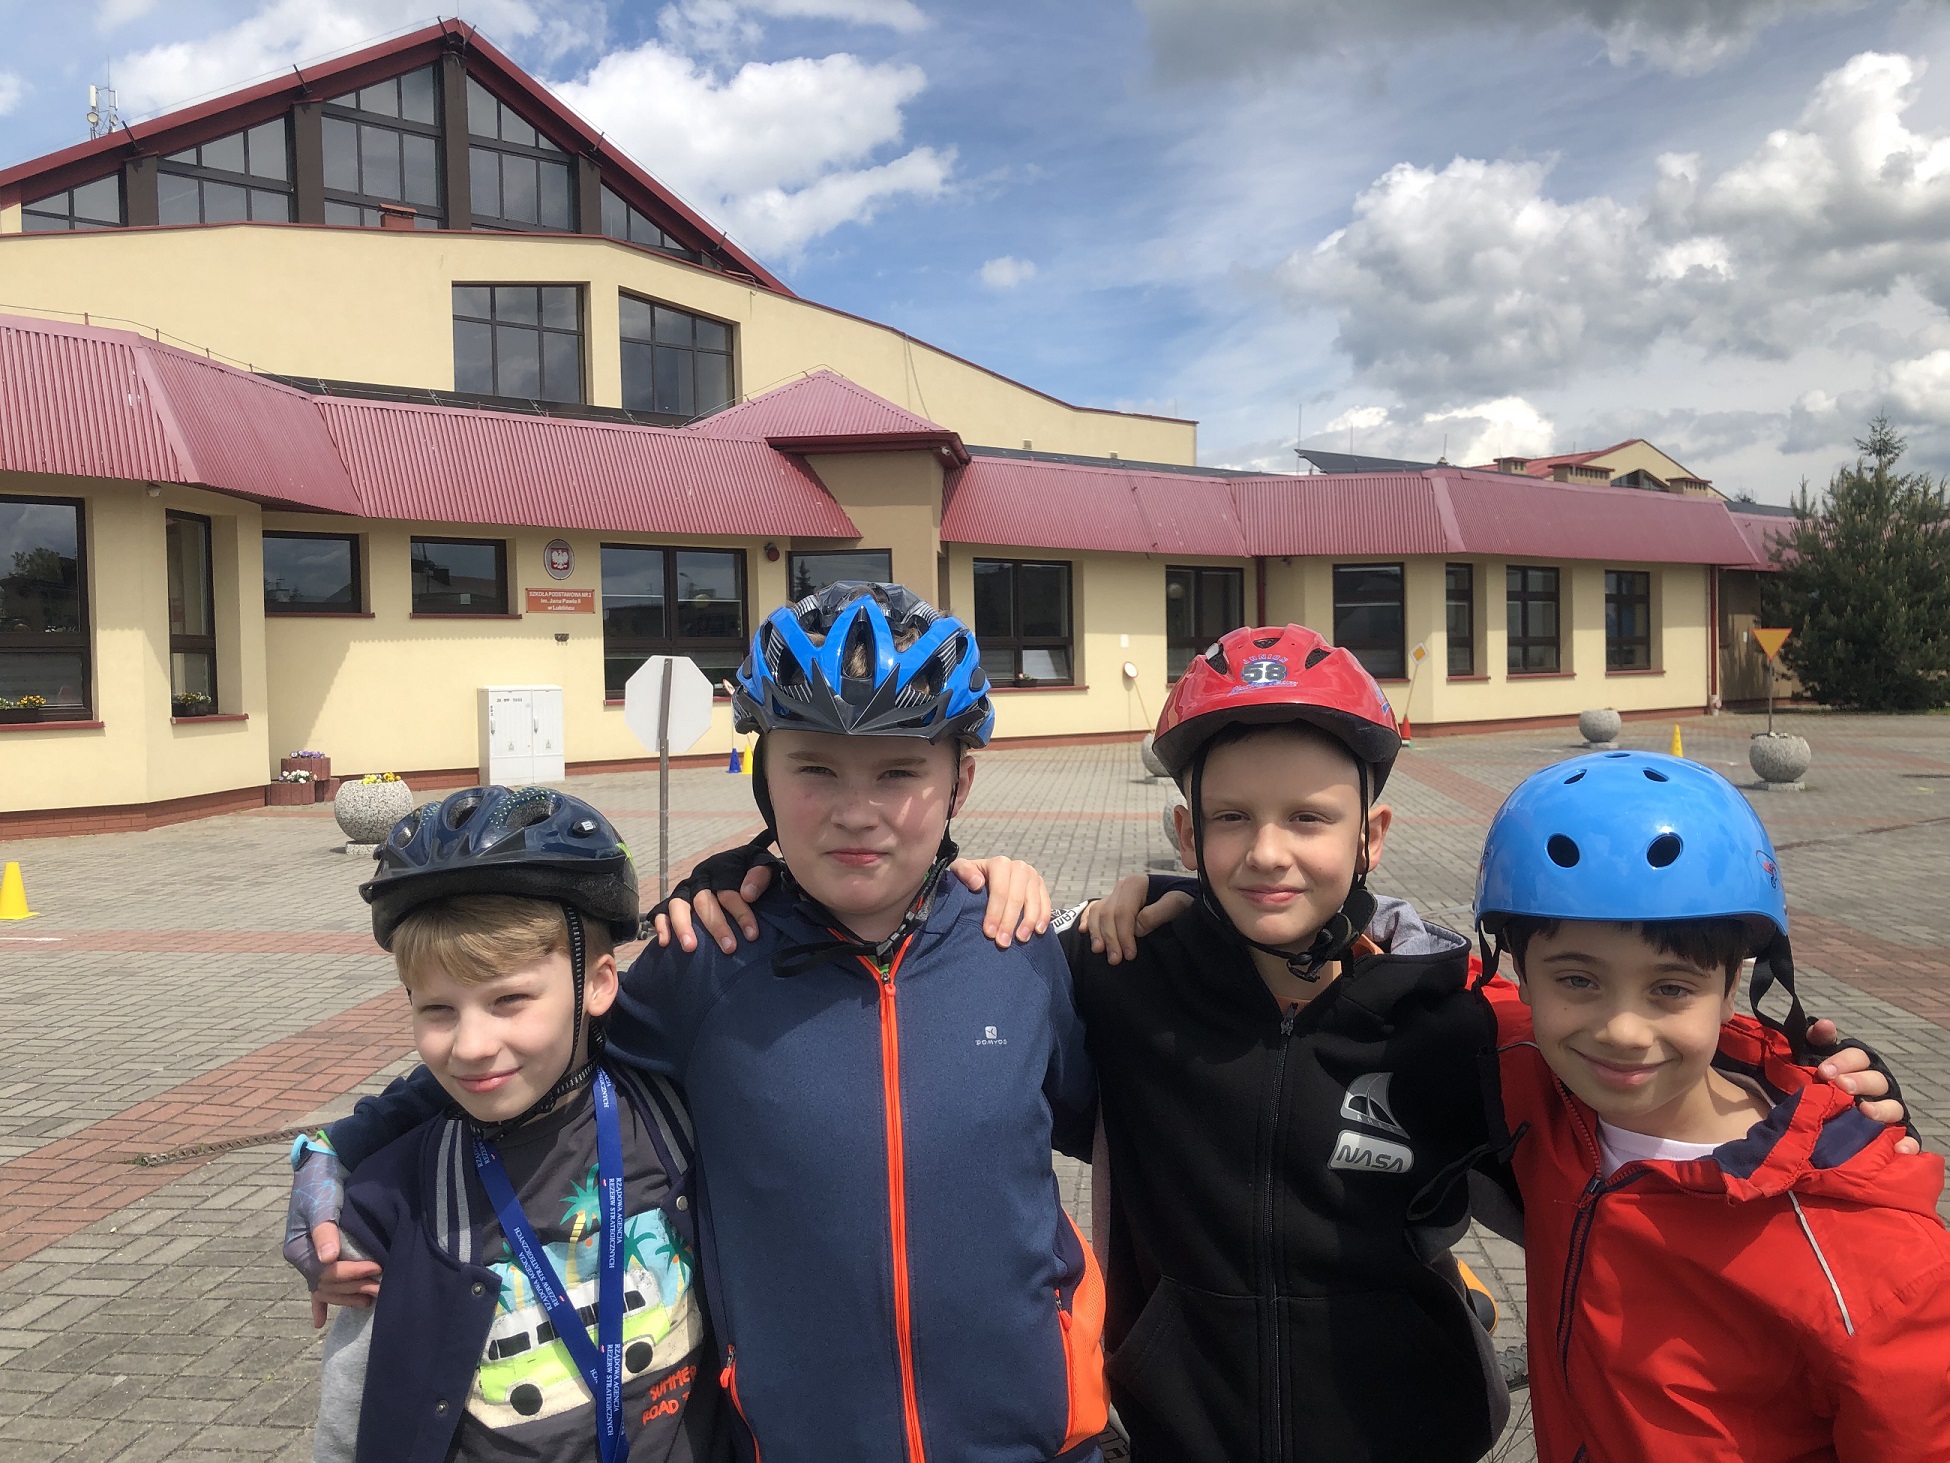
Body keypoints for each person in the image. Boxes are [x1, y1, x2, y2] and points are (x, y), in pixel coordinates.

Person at [669, 623, 1914, 1463]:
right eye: (1233, 819)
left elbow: (1620, 1043)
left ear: (1374, 832)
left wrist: (1795, 1072)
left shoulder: (1450, 1016)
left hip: (1407, 1435)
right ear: (1186, 833)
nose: (1270, 852)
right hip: (1177, 1432)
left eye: (1310, 818)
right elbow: (934, 995)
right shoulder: (1115, 979)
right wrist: (741, 879)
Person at [290, 583, 1106, 1463]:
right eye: (815, 769)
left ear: (961, 781)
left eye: (899, 772)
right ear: (763, 777)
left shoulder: (1014, 948)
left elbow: (1119, 1116)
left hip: (1034, 1443)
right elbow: (534, 1053)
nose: (856, 810)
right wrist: (341, 1147)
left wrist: (1147, 905)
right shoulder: (708, 961)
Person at [1475, 750, 1950, 1462]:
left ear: (1733, 989)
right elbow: (1417, 971)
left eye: (1670, 988)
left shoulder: (1867, 1258)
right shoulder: (1535, 1077)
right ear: (1520, 973)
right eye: (1577, 980)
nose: (1623, 1030)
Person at [310, 784, 730, 1463]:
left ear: (598, 984)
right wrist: (328, 1154)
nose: (472, 1045)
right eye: (437, 1009)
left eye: (509, 1000)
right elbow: (351, 1419)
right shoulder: (393, 1199)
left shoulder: (673, 1119)